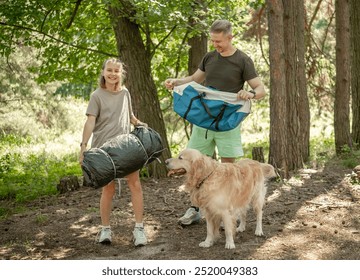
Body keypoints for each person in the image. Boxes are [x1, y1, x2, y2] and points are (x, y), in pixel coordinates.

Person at [164, 19, 266, 225]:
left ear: (230, 37)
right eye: (212, 41)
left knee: (228, 168)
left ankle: (227, 211)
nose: (215, 45)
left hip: (227, 121)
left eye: (219, 41)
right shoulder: (209, 57)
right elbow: (195, 79)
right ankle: (195, 209)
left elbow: (261, 90)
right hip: (203, 120)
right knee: (193, 165)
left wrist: (250, 93)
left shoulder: (243, 60)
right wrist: (176, 82)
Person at [79, 58, 148, 246]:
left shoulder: (125, 93)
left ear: (121, 73)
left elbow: (130, 116)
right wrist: (83, 147)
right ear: (103, 72)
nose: (112, 74)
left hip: (126, 148)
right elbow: (90, 121)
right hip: (104, 150)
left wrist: (141, 125)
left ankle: (139, 229)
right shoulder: (97, 95)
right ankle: (105, 230)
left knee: (135, 185)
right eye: (109, 70)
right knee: (108, 189)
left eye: (116, 71)